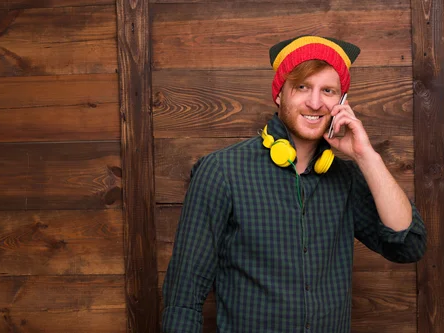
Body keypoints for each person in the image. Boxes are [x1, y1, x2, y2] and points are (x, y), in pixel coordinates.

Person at [161, 35, 427, 333]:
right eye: (302, 87)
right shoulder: (222, 172)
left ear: (340, 103)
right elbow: (183, 297)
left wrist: (366, 157)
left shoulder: (346, 178)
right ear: (279, 94)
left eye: (328, 91)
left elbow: (409, 245)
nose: (315, 103)